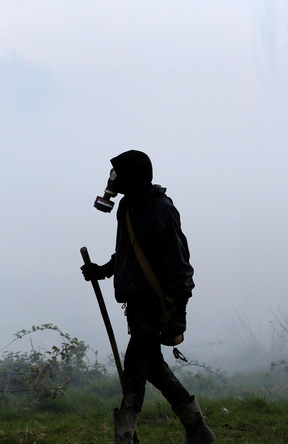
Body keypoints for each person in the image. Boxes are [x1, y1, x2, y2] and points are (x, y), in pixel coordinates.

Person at [81, 150, 214, 444]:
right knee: (154, 368)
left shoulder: (161, 209)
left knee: (134, 370)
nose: (113, 180)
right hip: (136, 308)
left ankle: (124, 438)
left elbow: (180, 265)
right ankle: (198, 430)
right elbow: (130, 252)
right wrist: (102, 270)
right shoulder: (127, 206)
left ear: (135, 176)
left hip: (155, 308)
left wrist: (179, 313)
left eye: (119, 174)